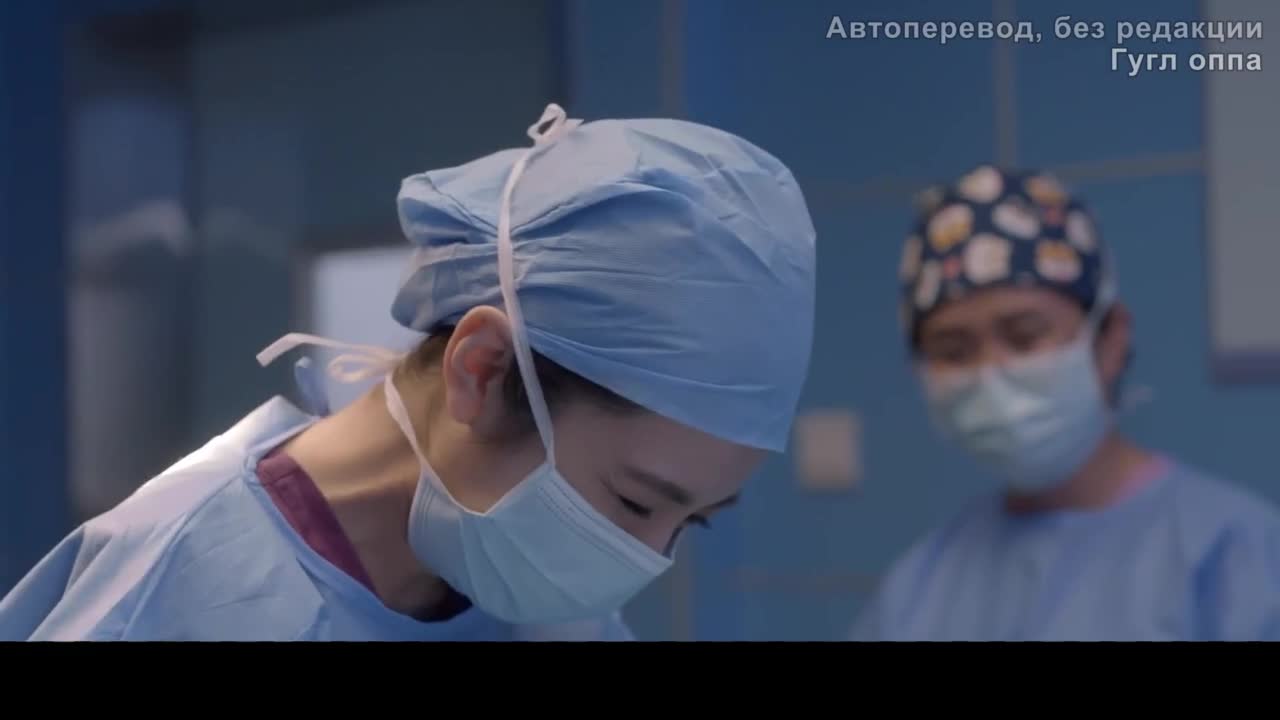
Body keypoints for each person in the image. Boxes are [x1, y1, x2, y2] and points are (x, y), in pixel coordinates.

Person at [0, 104, 817, 641]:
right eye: (634, 502)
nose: (643, 557)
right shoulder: (173, 592)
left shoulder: (541, 602)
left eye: (690, 522)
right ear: (482, 370)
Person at [851, 164, 1280, 641]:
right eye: (954, 351)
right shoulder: (919, 588)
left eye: (1025, 336)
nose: (991, 374)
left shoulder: (1232, 557)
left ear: (1110, 337)